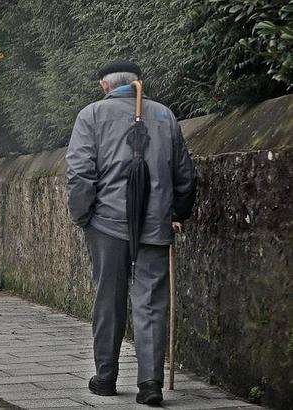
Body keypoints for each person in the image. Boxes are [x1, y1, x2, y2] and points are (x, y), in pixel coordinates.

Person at [66, 60, 196, 405]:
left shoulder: (90, 116)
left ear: (104, 86)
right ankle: (150, 384)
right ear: (139, 83)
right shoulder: (165, 116)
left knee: (108, 298)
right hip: (155, 225)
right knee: (151, 302)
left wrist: (82, 217)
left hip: (107, 225)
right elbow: (185, 176)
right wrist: (177, 213)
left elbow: (80, 176)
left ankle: (105, 378)